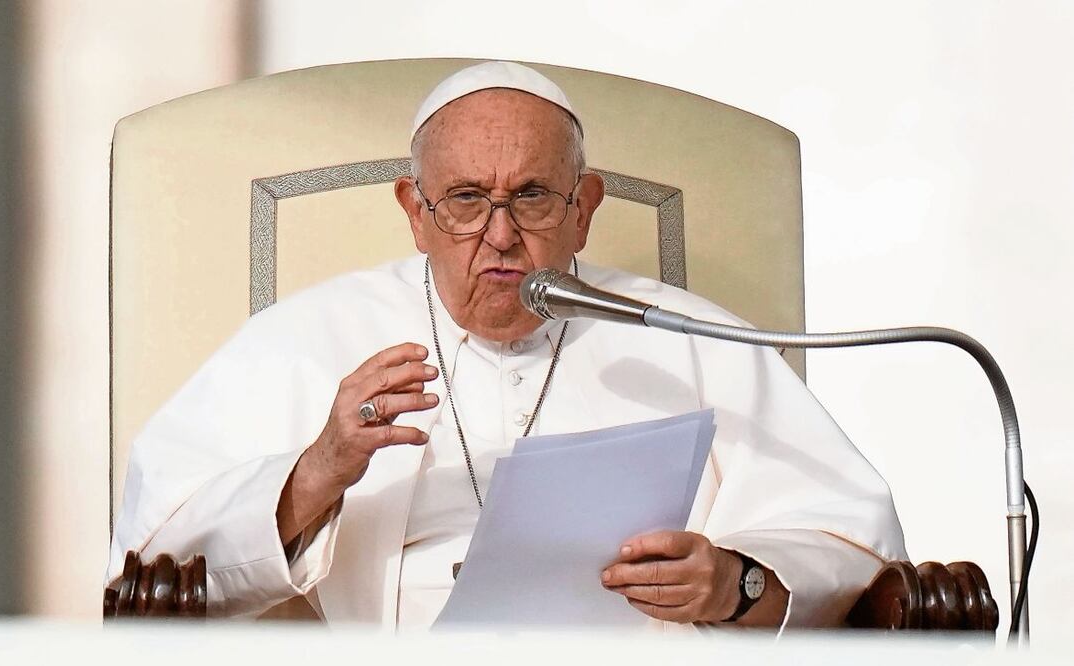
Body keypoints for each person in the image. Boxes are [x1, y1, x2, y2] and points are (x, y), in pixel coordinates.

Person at [107, 61, 907, 631]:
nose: (499, 236)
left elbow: (849, 547)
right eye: (464, 200)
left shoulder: (691, 338)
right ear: (414, 212)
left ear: (584, 208)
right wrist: (320, 468)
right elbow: (153, 562)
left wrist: (736, 584)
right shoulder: (308, 336)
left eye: (532, 197)